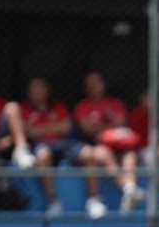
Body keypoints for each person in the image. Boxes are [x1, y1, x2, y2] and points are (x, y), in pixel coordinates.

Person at [21, 77, 105, 218]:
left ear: (47, 90)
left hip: (64, 143)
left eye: (40, 88)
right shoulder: (25, 109)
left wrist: (40, 129)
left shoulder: (58, 107)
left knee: (89, 154)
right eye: (33, 89)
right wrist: (54, 128)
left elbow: (66, 128)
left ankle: (94, 200)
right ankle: (53, 201)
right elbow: (29, 132)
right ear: (29, 93)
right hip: (42, 145)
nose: (37, 91)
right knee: (43, 156)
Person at [73, 72, 142, 218]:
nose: (94, 86)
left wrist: (101, 129)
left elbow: (120, 122)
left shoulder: (116, 104)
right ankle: (127, 190)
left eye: (97, 82)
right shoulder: (82, 106)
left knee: (130, 154)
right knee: (102, 152)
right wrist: (110, 128)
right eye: (90, 84)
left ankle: (130, 191)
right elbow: (88, 130)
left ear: (104, 84)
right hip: (92, 146)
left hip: (118, 145)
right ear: (85, 88)